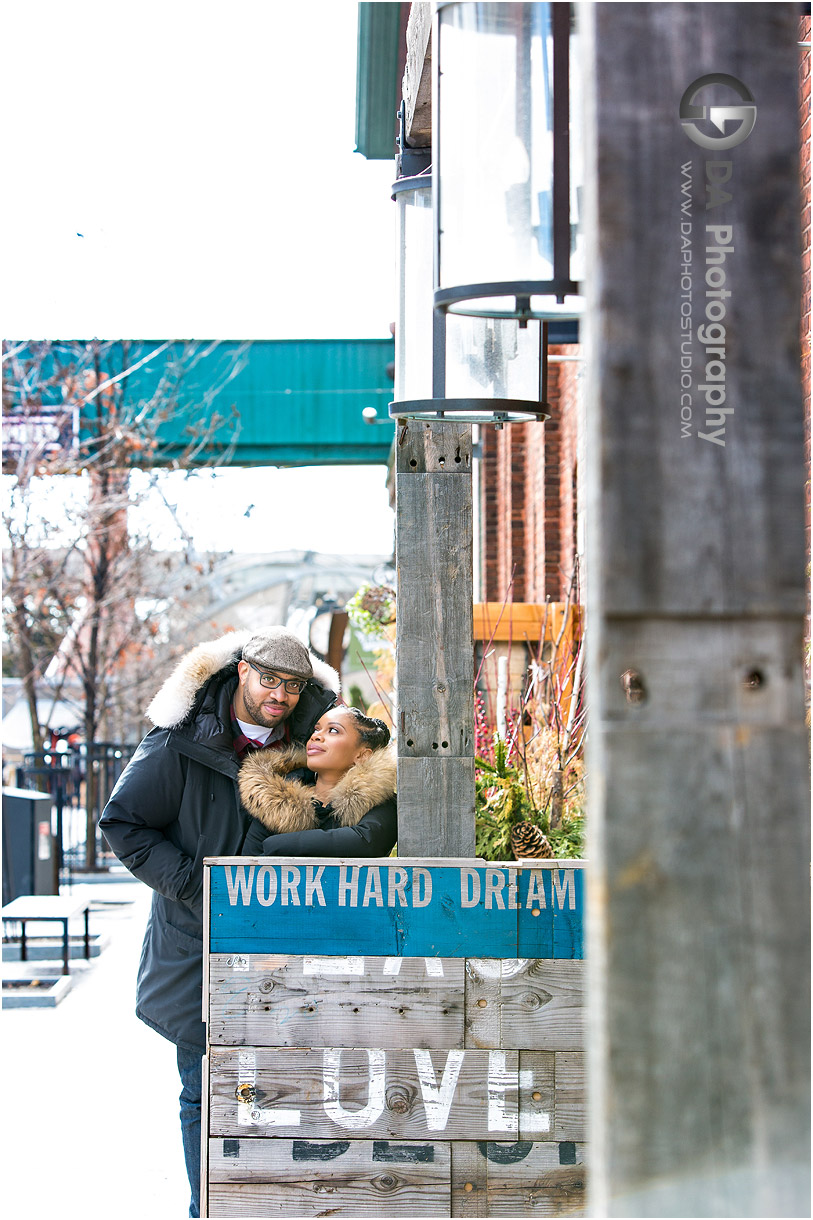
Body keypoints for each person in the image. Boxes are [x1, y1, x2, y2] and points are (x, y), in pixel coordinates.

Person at [99, 627, 339, 1218]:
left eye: (292, 685)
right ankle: (207, 1208)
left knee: (293, 1088)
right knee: (204, 1091)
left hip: (286, 950)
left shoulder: (319, 743)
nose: (280, 695)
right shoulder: (178, 741)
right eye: (269, 679)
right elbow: (124, 823)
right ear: (241, 673)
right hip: (196, 945)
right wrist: (194, 888)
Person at [240, 705, 397, 856]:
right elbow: (247, 864)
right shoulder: (277, 800)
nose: (315, 736)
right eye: (316, 729)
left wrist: (274, 844)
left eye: (333, 730)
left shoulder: (380, 802)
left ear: (363, 756)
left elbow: (366, 841)